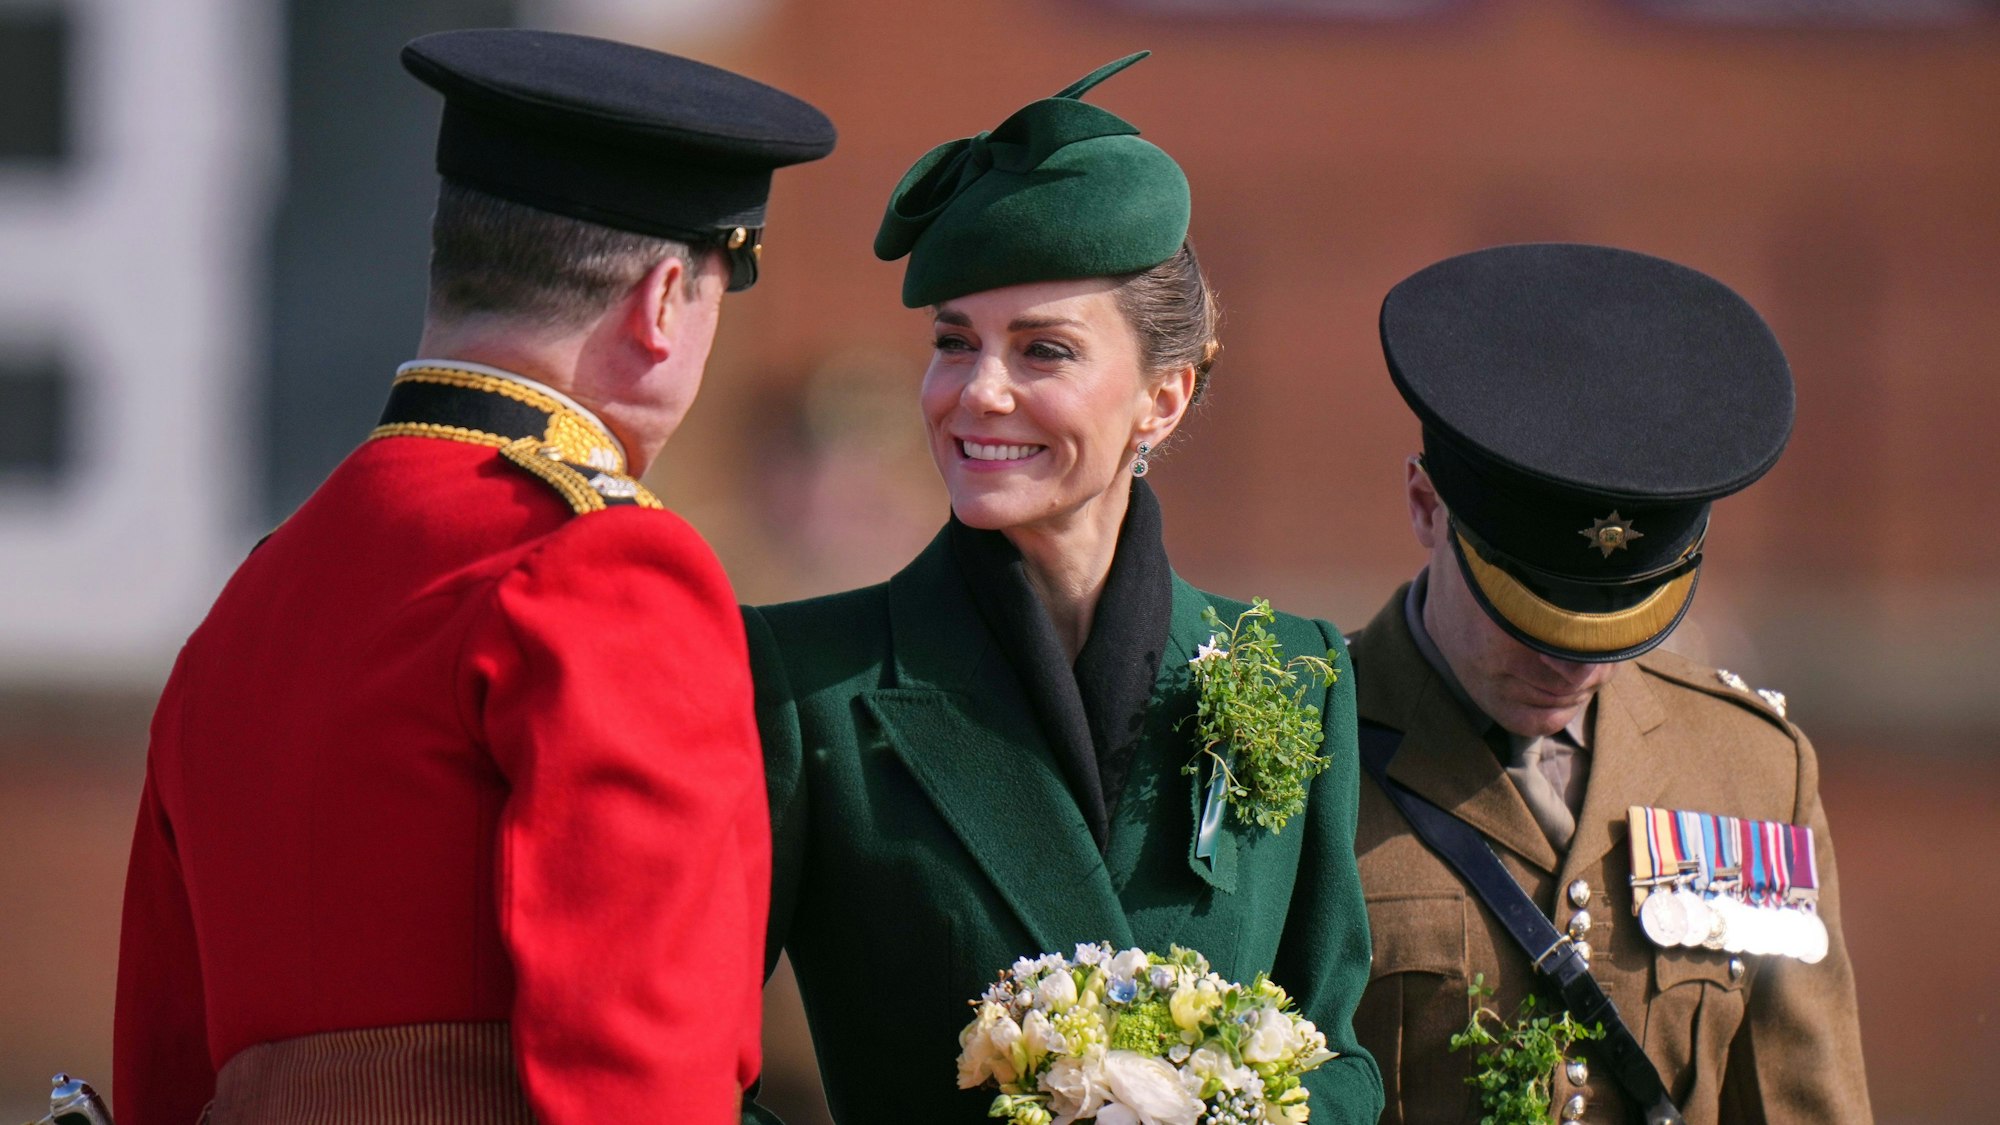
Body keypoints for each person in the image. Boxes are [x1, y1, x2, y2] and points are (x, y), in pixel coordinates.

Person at [113, 29, 834, 1125]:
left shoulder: (256, 593)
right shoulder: (603, 559)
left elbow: (161, 1057)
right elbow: (634, 1055)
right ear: (662, 300)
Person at [742, 53, 1382, 1125]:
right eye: (954, 342)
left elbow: (1344, 1058)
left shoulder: (1295, 673)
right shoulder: (807, 684)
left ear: (1161, 400)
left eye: (1042, 350)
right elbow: (685, 1071)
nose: (977, 391)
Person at [1348, 243, 1872, 1122]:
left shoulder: (1749, 769)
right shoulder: (1293, 753)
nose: (1575, 664)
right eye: (1531, 616)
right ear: (1426, 505)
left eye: (1618, 625)